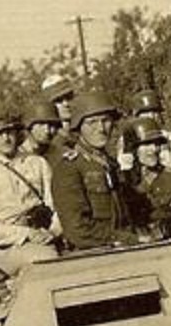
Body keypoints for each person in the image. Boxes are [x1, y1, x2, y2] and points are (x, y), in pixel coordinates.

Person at [0, 113, 62, 298]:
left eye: (9, 131)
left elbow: (56, 204)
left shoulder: (37, 163)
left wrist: (53, 231)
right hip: (10, 246)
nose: (6, 138)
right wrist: (26, 234)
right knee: (46, 260)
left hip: (46, 233)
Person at [51, 91, 140, 250]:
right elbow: (77, 230)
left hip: (123, 246)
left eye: (105, 121)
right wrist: (125, 239)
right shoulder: (68, 168)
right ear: (78, 127)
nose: (101, 128)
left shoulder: (109, 164)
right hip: (95, 253)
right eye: (92, 122)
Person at [121, 117, 171, 240]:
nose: (153, 149)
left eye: (157, 143)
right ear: (132, 149)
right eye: (146, 144)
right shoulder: (122, 182)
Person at [115, 88, 171, 169]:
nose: (152, 115)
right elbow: (125, 166)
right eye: (146, 112)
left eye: (155, 111)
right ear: (137, 115)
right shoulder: (128, 139)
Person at [19, 100, 63, 166]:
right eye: (41, 124)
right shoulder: (18, 158)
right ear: (29, 127)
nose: (47, 130)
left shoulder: (59, 154)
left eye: (52, 125)